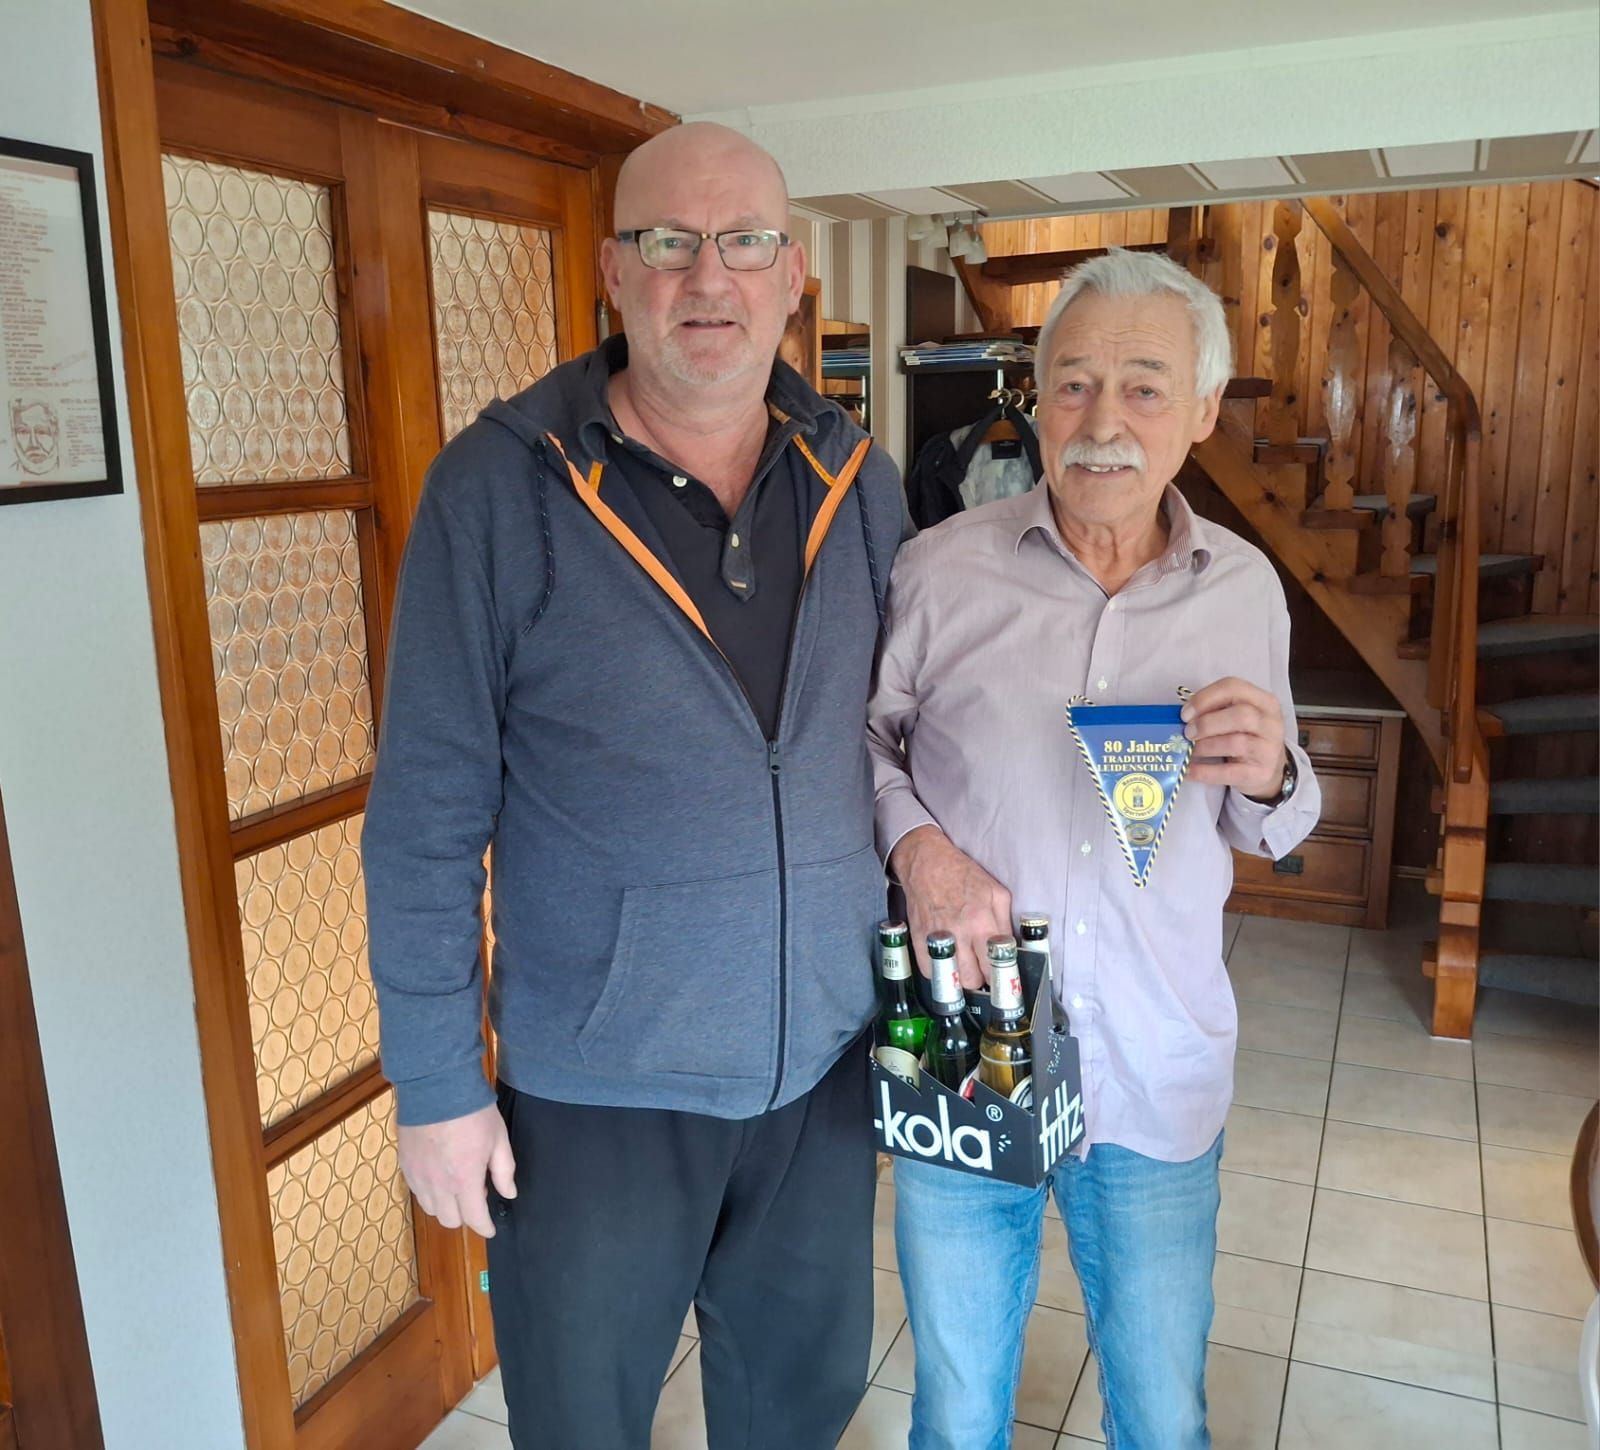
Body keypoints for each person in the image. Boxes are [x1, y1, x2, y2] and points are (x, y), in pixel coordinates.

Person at [363, 122, 906, 1448]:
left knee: (795, 1413)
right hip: (598, 1091)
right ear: (613, 270)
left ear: (792, 275)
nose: (707, 276)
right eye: (668, 242)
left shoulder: (858, 478)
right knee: (580, 1421)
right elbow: (424, 812)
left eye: (744, 243)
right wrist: (435, 1082)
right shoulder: (499, 488)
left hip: (821, 1067)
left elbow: (911, 733)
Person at [867, 248, 1322, 1448]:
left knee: (1161, 1416)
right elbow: (863, 743)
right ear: (1034, 395)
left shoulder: (1244, 591)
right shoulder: (938, 568)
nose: (1101, 421)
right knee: (956, 1411)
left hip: (1156, 1066)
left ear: (1203, 411)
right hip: (968, 1054)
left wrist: (1272, 771)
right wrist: (920, 851)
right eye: (1072, 383)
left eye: (1142, 387)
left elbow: (1274, 812)